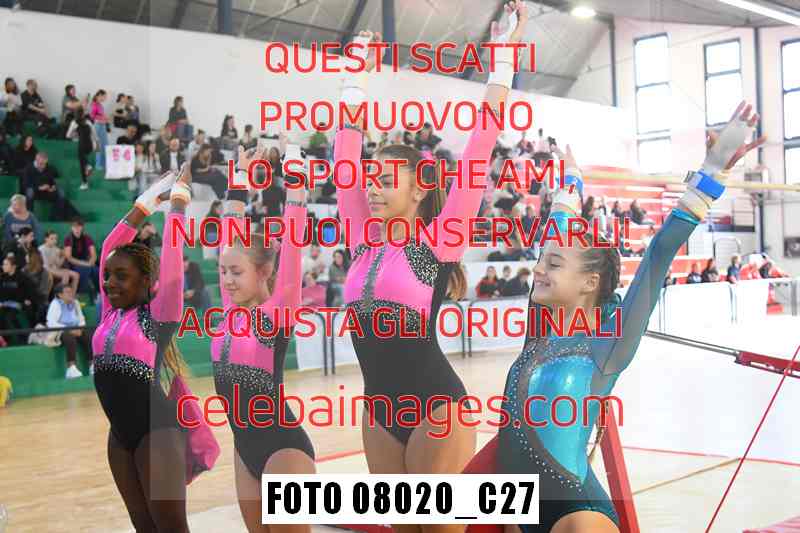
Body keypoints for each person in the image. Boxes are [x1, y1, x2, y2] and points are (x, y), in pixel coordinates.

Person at [462, 100, 765, 533]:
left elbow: (659, 253)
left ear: (589, 282)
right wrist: (571, 179)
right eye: (542, 261)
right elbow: (556, 229)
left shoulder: (607, 346)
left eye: (554, 264)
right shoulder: (541, 329)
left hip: (576, 518)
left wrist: (711, 174)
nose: (539, 269)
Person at [332, 8, 525, 526]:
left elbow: (481, 144)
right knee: (402, 526)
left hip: (435, 406)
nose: (371, 189)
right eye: (370, 180)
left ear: (419, 190)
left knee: (437, 526)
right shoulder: (361, 238)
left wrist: (503, 55)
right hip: (378, 410)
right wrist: (355, 74)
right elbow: (344, 156)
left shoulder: (441, 240)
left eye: (385, 181)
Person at [213, 145, 315, 532]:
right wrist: (239, 178)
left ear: (264, 272)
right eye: (223, 271)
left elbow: (293, 247)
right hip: (245, 450)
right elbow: (229, 231)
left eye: (236, 272)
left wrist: (296, 179)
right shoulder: (230, 310)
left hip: (283, 448)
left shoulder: (277, 312)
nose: (227, 280)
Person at [92, 165, 195, 531]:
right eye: (108, 276)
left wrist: (178, 203)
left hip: (157, 433)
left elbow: (172, 266)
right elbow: (109, 248)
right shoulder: (109, 313)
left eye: (122, 276)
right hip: (119, 437)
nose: (110, 283)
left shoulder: (158, 317)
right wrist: (147, 202)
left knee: (172, 528)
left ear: (148, 283)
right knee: (143, 527)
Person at [47, 283, 92, 379]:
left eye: (71, 292)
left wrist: (80, 328)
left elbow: (81, 319)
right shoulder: (55, 304)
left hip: (76, 329)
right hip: (60, 331)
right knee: (69, 337)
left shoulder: (75, 302)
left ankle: (92, 365)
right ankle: (71, 368)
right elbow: (51, 322)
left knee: (88, 335)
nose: (71, 294)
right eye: (67, 292)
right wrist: (69, 329)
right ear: (60, 295)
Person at [23, 152, 78, 219]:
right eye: (41, 164)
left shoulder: (48, 168)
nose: (43, 166)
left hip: (47, 191)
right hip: (35, 191)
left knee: (61, 193)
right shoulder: (28, 168)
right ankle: (29, 217)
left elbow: (51, 181)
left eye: (44, 164)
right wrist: (39, 188)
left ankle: (56, 216)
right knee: (29, 191)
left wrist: (53, 187)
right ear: (36, 160)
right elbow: (26, 184)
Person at [0, 255, 38, 344]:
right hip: (6, 303)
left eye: (6, 264)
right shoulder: (3, 277)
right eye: (3, 264)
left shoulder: (22, 277)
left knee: (10, 316)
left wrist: (28, 299)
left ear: (13, 266)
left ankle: (23, 338)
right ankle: (6, 339)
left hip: (19, 303)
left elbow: (31, 290)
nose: (3, 266)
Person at [66, 107, 99, 189]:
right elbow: (95, 134)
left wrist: (76, 135)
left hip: (82, 145)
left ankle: (85, 182)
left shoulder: (74, 123)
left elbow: (68, 135)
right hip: (90, 145)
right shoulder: (88, 122)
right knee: (83, 159)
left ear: (75, 114)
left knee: (82, 164)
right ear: (83, 114)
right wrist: (98, 145)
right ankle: (87, 167)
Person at [64, 218, 99, 295]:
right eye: (74, 226)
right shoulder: (68, 239)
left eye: (79, 226)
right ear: (71, 228)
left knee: (97, 271)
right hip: (74, 264)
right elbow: (69, 258)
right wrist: (85, 264)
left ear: (82, 227)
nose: (77, 229)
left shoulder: (87, 238)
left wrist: (91, 261)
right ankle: (80, 293)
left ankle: (98, 292)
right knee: (84, 270)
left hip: (87, 262)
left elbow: (94, 254)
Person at [89, 90, 110, 171]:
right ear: (99, 95)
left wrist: (105, 119)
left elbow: (101, 115)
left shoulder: (100, 105)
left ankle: (104, 163)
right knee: (99, 146)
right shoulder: (94, 104)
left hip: (103, 126)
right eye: (104, 97)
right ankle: (98, 164)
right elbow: (92, 116)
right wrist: (100, 119)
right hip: (97, 126)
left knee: (105, 145)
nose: (105, 99)